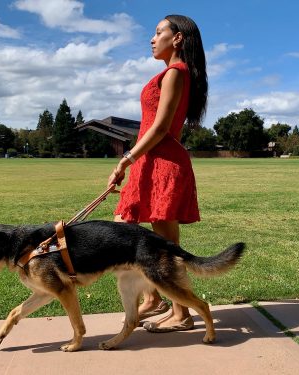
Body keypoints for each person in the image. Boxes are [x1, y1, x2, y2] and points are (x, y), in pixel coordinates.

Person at [107, 14, 208, 332]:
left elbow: (162, 127)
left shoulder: (177, 73)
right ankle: (154, 299)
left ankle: (182, 314)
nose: (152, 39)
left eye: (158, 32)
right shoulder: (169, 73)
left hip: (162, 164)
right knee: (127, 233)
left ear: (177, 38)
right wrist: (134, 162)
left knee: (162, 245)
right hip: (149, 163)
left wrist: (126, 158)